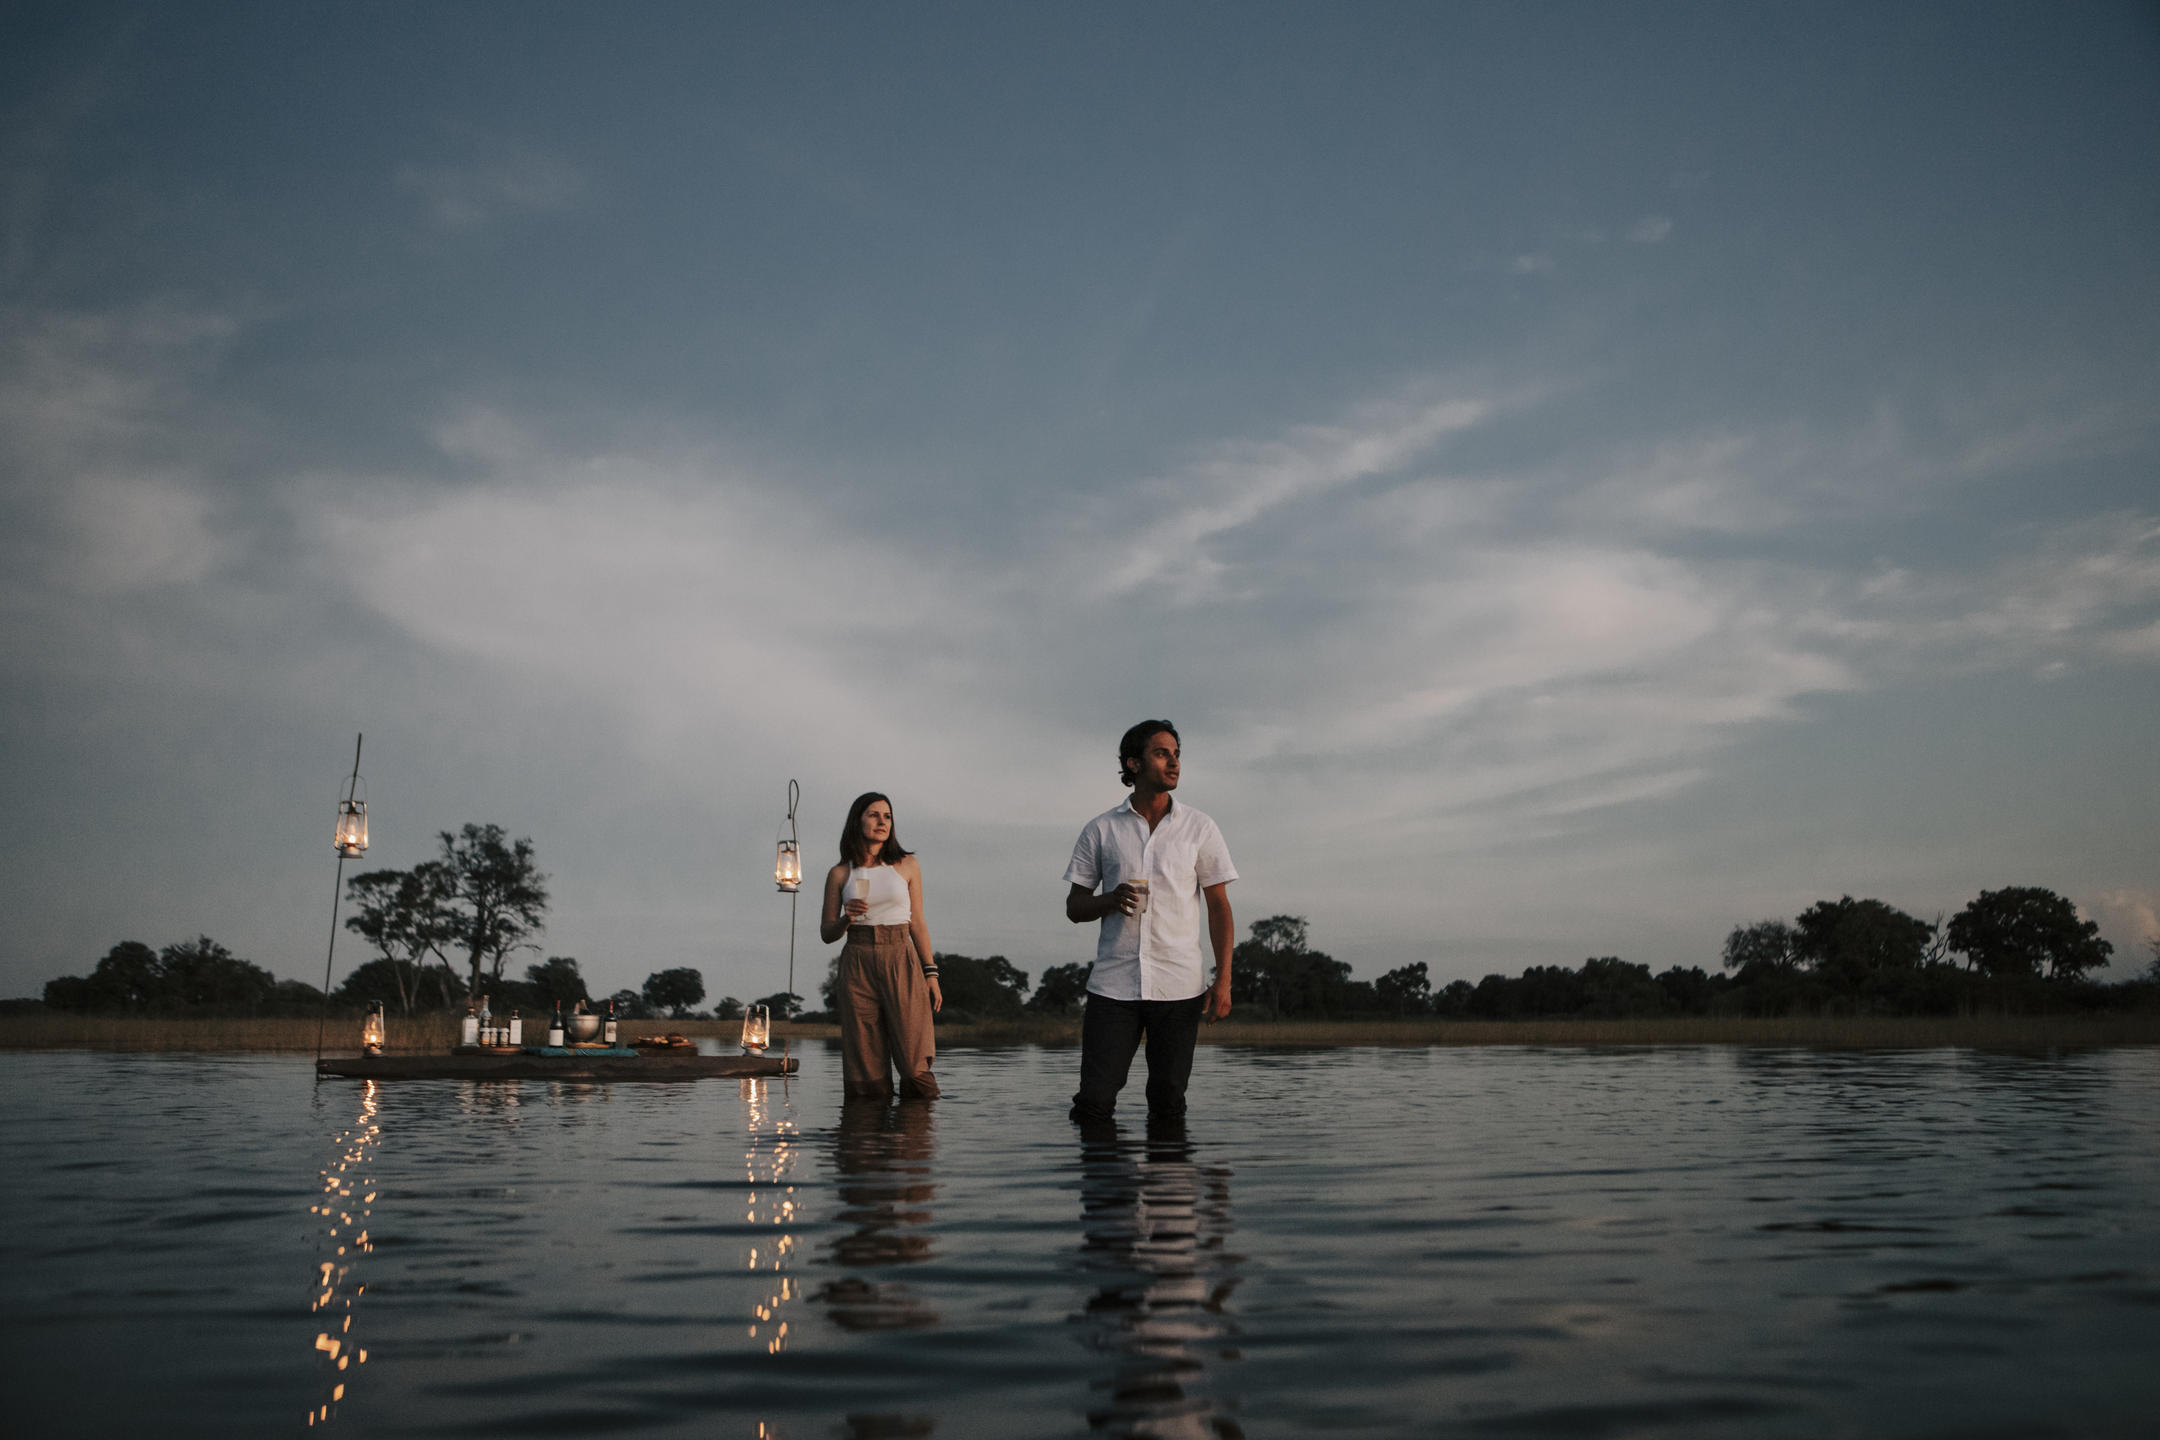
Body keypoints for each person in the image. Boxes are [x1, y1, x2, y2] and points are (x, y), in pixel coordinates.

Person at [1063, 720, 1236, 1123]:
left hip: (1179, 986)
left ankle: (1169, 1185)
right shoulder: (1101, 829)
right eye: (1162, 753)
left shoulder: (1200, 827)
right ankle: (1105, 1187)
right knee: (1093, 1103)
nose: (1174, 762)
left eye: (1176, 754)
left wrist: (1224, 980)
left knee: (1168, 1102)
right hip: (1113, 986)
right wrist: (1110, 899)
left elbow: (1220, 908)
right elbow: (1074, 907)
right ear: (1133, 763)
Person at [820, 792, 942, 1099]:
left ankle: (916, 1136)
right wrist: (846, 919)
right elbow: (826, 933)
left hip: (900, 954)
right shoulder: (840, 873)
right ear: (857, 820)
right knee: (865, 1067)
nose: (882, 822)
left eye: (887, 816)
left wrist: (931, 974)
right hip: (857, 960)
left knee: (914, 1060)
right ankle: (866, 1138)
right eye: (874, 815)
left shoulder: (907, 865)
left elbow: (918, 923)